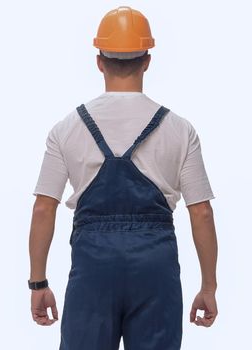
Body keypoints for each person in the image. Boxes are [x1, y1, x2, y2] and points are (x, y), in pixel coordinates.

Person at [28, 6, 218, 350]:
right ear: (147, 60)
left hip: (93, 266)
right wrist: (208, 288)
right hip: (155, 265)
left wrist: (38, 283)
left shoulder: (66, 128)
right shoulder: (180, 129)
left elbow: (44, 208)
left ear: (99, 61)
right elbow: (201, 212)